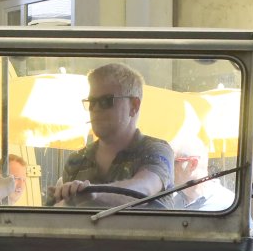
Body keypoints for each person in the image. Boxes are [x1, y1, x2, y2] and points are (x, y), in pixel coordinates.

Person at [49, 63, 173, 207]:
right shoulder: (75, 161)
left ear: (134, 106)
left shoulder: (156, 150)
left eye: (105, 101)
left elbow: (144, 188)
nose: (95, 109)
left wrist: (95, 194)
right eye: (92, 102)